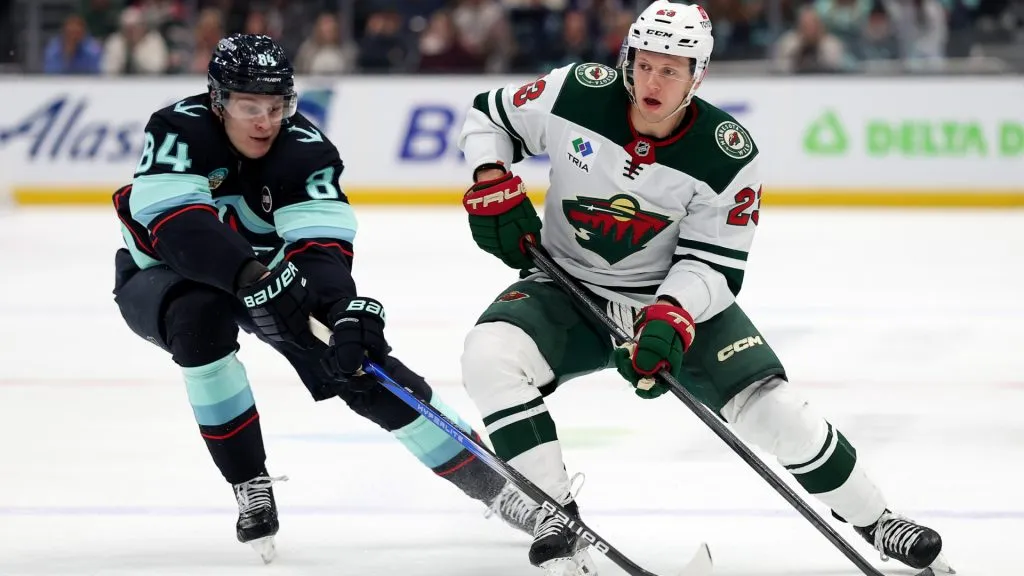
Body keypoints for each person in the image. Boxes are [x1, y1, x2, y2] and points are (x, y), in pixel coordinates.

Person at [455, 2, 953, 575]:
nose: (653, 81)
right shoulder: (575, 93)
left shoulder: (725, 154)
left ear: (698, 76)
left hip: (669, 297)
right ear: (626, 59)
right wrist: (490, 176)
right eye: (644, 64)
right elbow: (485, 119)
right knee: (488, 356)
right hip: (566, 283)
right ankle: (554, 513)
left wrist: (671, 315)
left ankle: (877, 519)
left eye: (671, 70)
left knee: (778, 413)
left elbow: (714, 263)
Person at [111, 33, 536, 563]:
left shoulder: (305, 149)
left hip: (263, 272)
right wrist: (250, 273)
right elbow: (177, 226)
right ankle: (250, 481)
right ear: (217, 101)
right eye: (249, 107)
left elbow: (320, 244)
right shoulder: (178, 127)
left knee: (358, 364)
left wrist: (338, 310)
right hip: (164, 274)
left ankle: (499, 487)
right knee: (201, 321)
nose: (265, 122)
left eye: (276, 106)